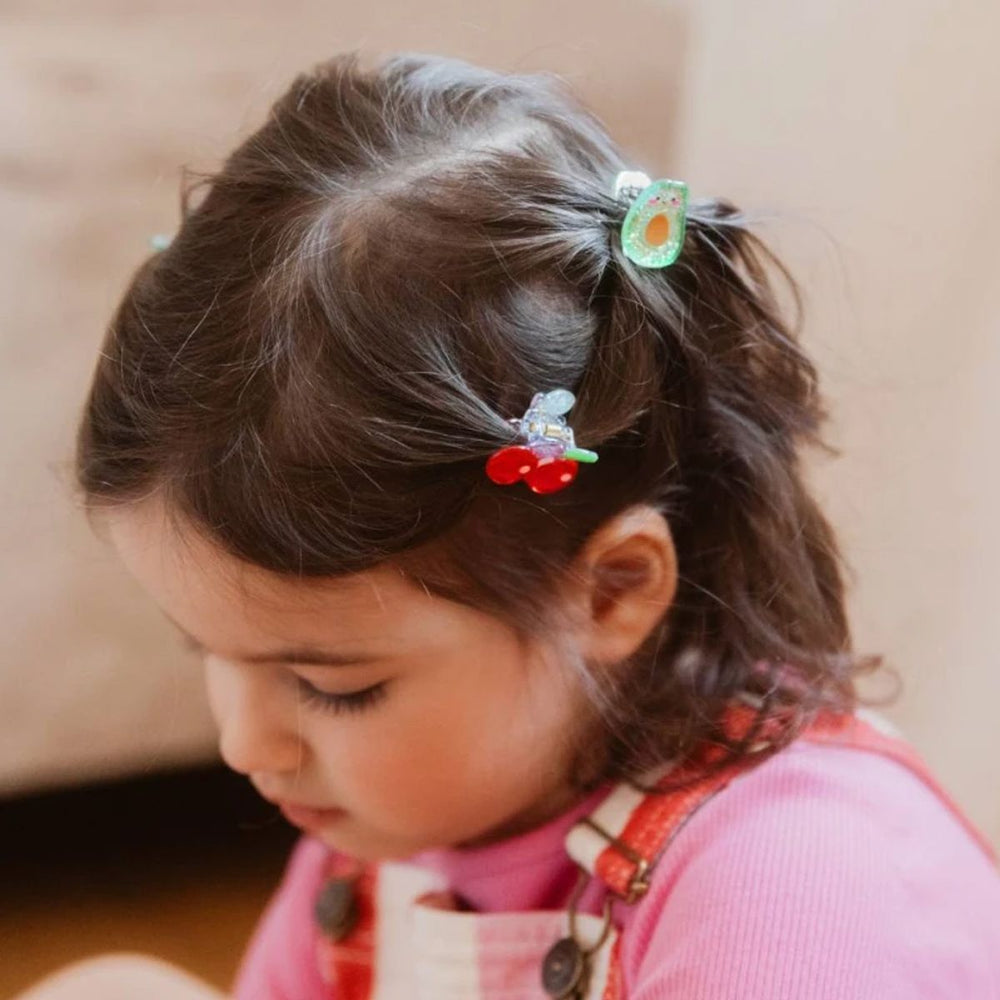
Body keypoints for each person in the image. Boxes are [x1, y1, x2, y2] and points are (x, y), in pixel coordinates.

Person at [24, 48, 1000, 1000]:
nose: (244, 744)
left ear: (610, 591)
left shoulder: (793, 890)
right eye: (207, 648)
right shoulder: (405, 819)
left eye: (333, 686)